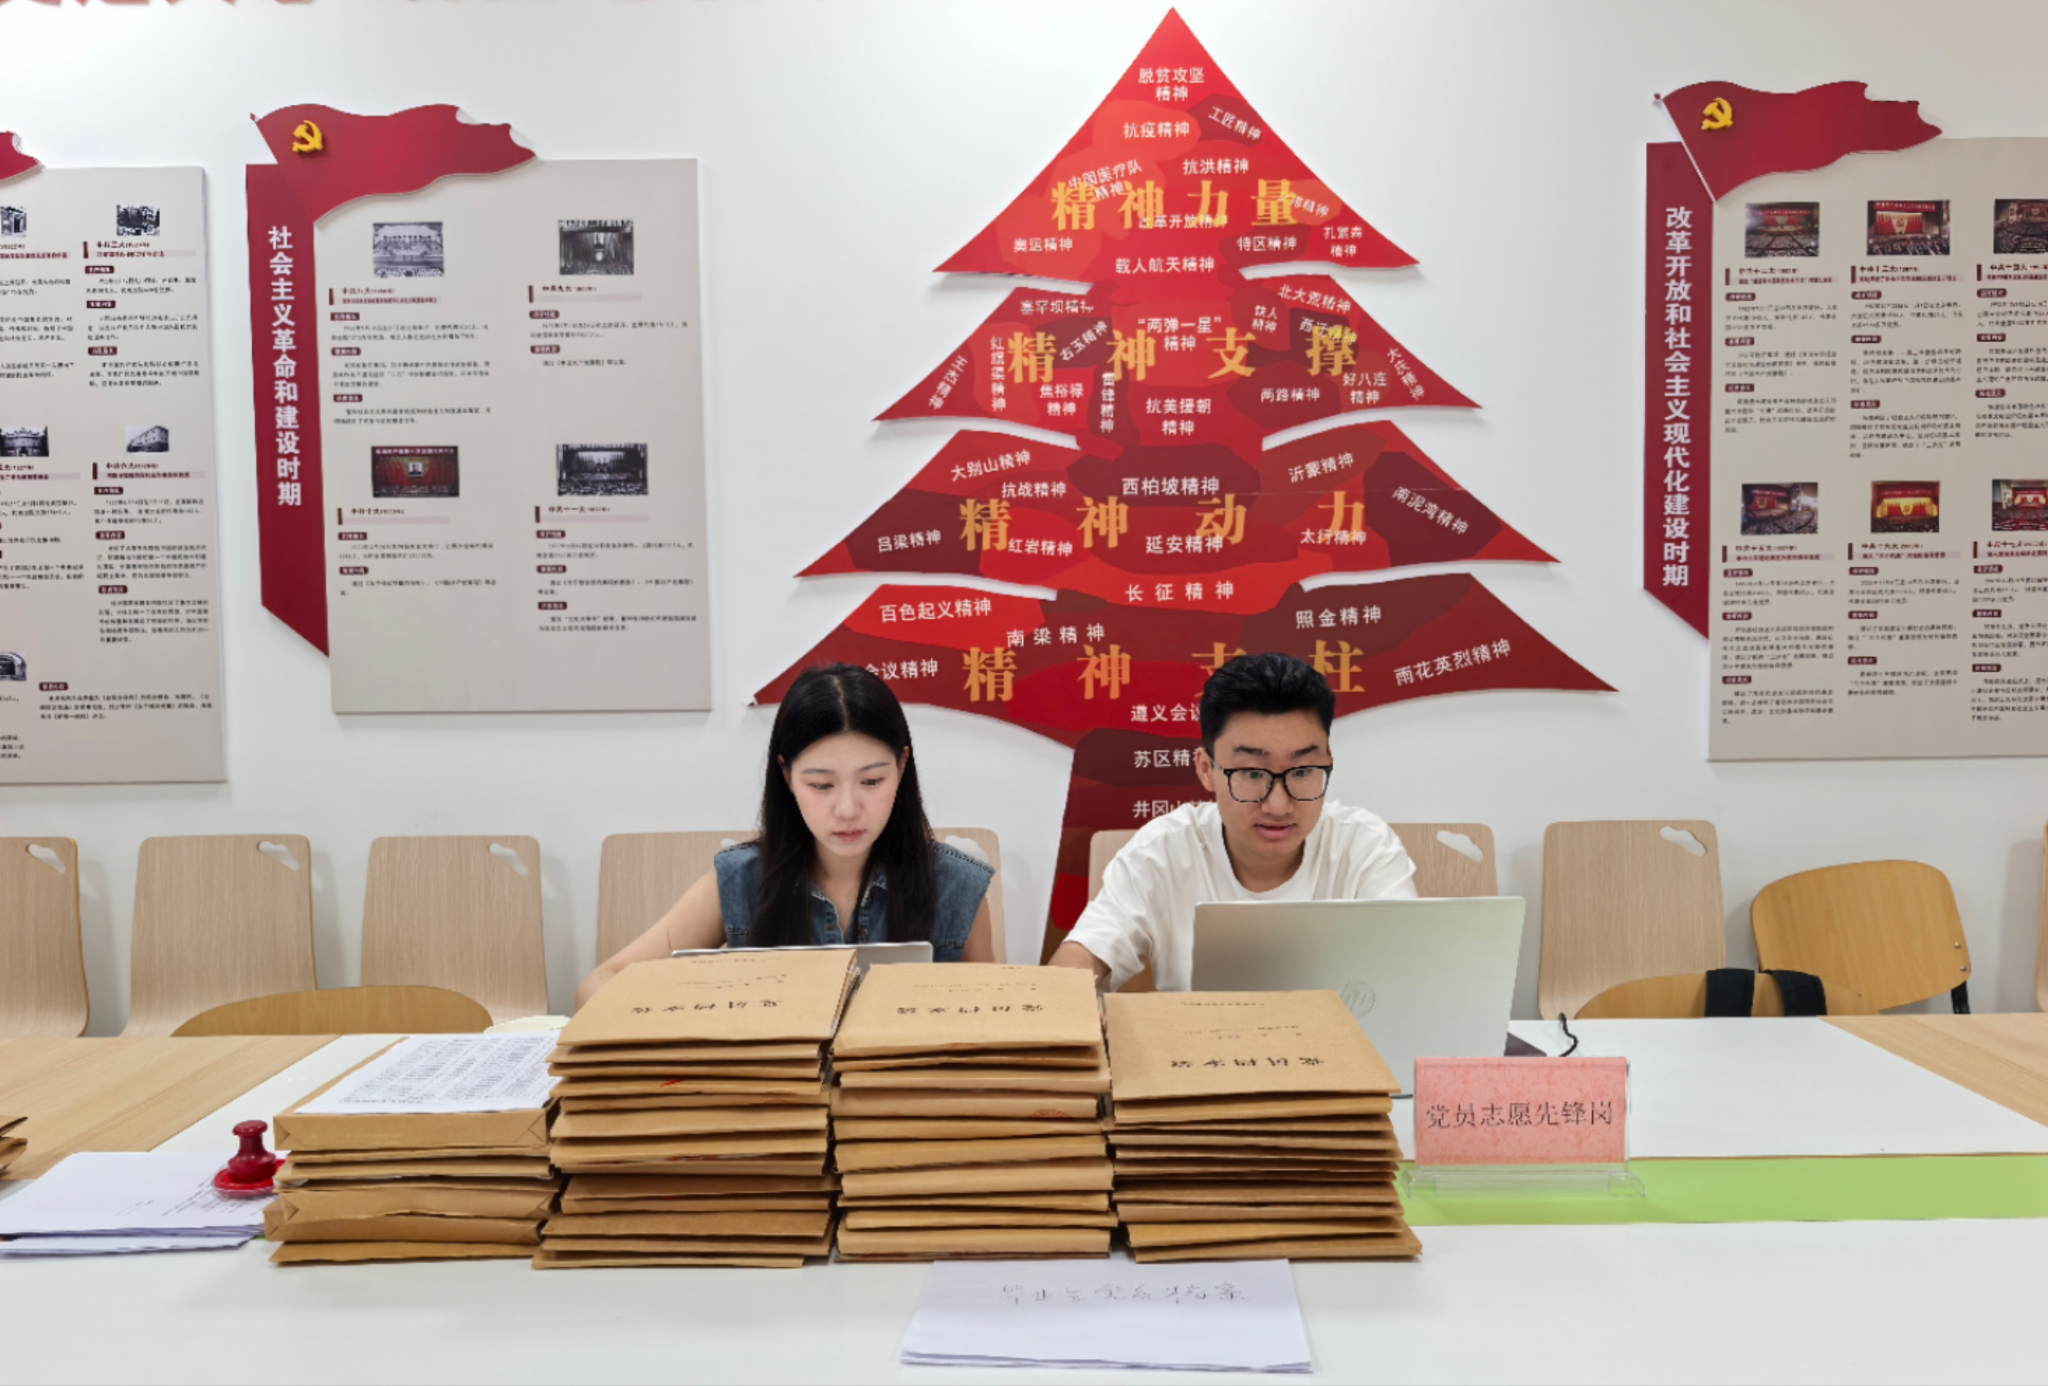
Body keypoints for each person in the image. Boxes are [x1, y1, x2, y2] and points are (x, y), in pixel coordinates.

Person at [574, 663, 997, 1008]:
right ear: (787, 775)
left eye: (871, 781)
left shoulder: (957, 886)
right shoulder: (740, 880)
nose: (847, 809)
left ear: (902, 767)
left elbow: (994, 1023)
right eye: (821, 785)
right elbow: (598, 985)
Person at [1050, 651, 1417, 992]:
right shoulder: (1163, 851)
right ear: (1206, 769)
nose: (1278, 805)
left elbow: (1414, 973)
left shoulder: (1364, 848)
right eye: (1252, 773)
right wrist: (1074, 999)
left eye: (1303, 770)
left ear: (1328, 760)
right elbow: (1079, 960)